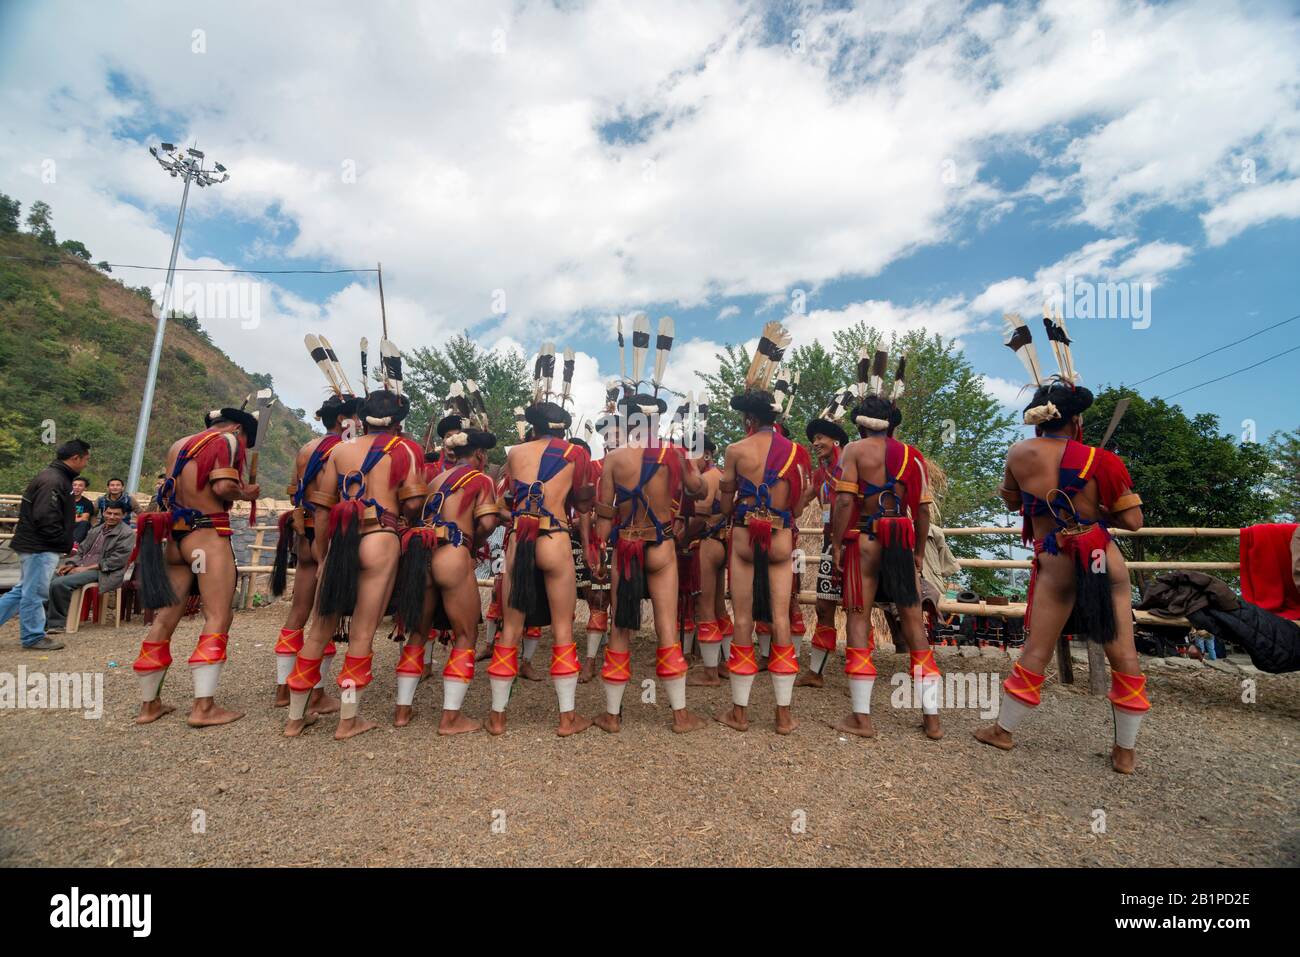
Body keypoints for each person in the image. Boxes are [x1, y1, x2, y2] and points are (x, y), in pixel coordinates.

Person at [975, 313, 1148, 773]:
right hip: (1100, 556)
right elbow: (1132, 521)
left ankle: (1004, 731)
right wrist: (1095, 509)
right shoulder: (1104, 460)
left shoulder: (1020, 454)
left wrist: (1054, 506)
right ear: (1075, 420)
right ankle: (1125, 752)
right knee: (1123, 652)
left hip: (1054, 561)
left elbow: (1014, 501)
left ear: (1039, 420)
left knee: (1037, 647)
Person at [284, 386, 427, 740]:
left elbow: (320, 508)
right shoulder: (406, 450)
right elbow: (413, 505)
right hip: (381, 536)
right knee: (363, 631)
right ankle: (348, 720)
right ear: (397, 421)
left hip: (340, 540)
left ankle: (294, 718)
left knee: (319, 628)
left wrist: (321, 554)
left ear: (361, 419)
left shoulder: (340, 450)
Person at [831, 352, 943, 741]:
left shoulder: (854, 452)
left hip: (866, 537)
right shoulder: (913, 456)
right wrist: (916, 550)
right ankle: (932, 720)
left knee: (858, 617)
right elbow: (924, 509)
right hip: (902, 535)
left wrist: (834, 542)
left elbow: (845, 501)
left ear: (861, 425)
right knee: (913, 622)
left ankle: (861, 718)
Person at [132, 405, 260, 726]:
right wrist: (245, 492)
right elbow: (221, 487)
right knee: (218, 615)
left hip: (176, 540)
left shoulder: (180, 445)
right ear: (238, 429)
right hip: (207, 537)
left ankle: (149, 705)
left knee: (165, 618)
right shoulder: (228, 442)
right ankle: (203, 707)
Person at [488, 355, 595, 737]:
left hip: (520, 538)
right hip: (555, 537)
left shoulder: (514, 454)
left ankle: (498, 717)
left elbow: (507, 498)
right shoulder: (576, 454)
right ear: (564, 429)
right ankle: (567, 718)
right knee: (563, 627)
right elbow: (583, 503)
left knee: (510, 629)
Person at [592, 390, 708, 734]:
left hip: (626, 545)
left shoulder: (614, 459)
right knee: (667, 625)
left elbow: (604, 513)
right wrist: (696, 471)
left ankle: (612, 716)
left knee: (620, 626)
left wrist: (599, 549)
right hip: (661, 547)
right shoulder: (674, 453)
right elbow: (698, 490)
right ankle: (680, 716)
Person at [716, 322, 802, 734]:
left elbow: (726, 497)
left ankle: (740, 712)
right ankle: (783, 715)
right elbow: (801, 499)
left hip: (745, 534)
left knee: (745, 617)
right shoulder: (796, 452)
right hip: (782, 534)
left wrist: (731, 508)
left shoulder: (735, 450)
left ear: (749, 418)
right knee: (781, 618)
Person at [392, 426, 499, 733]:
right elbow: (488, 522)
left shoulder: (436, 479)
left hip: (421, 554)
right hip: (453, 551)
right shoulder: (482, 479)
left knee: (418, 632)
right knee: (465, 634)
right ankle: (450, 717)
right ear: (479, 454)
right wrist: (472, 542)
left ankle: (402, 712)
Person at [269, 391, 360, 715]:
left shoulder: (306, 448)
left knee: (298, 612)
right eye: (355, 418)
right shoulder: (345, 450)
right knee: (325, 616)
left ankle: (283, 689)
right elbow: (334, 499)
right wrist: (326, 556)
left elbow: (295, 490)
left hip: (302, 532)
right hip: (328, 537)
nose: (359, 423)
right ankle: (316, 692)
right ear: (343, 420)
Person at [0, 439, 90, 650]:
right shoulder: (53, 480)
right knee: (34, 593)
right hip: (40, 546)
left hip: (36, 544)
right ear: (75, 458)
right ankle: (32, 636)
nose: (86, 464)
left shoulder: (54, 477)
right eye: (86, 459)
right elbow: (45, 516)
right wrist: (62, 541)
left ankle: (32, 634)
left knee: (23, 590)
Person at [795, 390, 852, 688]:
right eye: (814, 438)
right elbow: (800, 502)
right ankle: (816, 672)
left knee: (860, 609)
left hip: (857, 544)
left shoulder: (853, 466)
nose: (816, 443)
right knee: (823, 605)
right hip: (832, 545)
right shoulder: (819, 476)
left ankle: (861, 674)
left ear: (837, 441)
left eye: (821, 438)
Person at [46, 503, 134, 633]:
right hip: (82, 566)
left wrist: (85, 569)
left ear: (124, 515)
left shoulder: (126, 533)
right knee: (49, 579)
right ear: (104, 513)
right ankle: (43, 620)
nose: (111, 516)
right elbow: (81, 551)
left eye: (116, 514)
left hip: (105, 572)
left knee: (60, 583)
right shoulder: (96, 529)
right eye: (109, 513)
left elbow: (116, 561)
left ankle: (57, 623)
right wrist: (71, 564)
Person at [70, 478, 95, 548]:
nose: (76, 487)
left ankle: (74, 545)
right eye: (74, 485)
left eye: (80, 485)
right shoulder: (64, 500)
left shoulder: (87, 503)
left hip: (76, 526)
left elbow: (84, 518)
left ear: (85, 488)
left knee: (84, 523)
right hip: (62, 525)